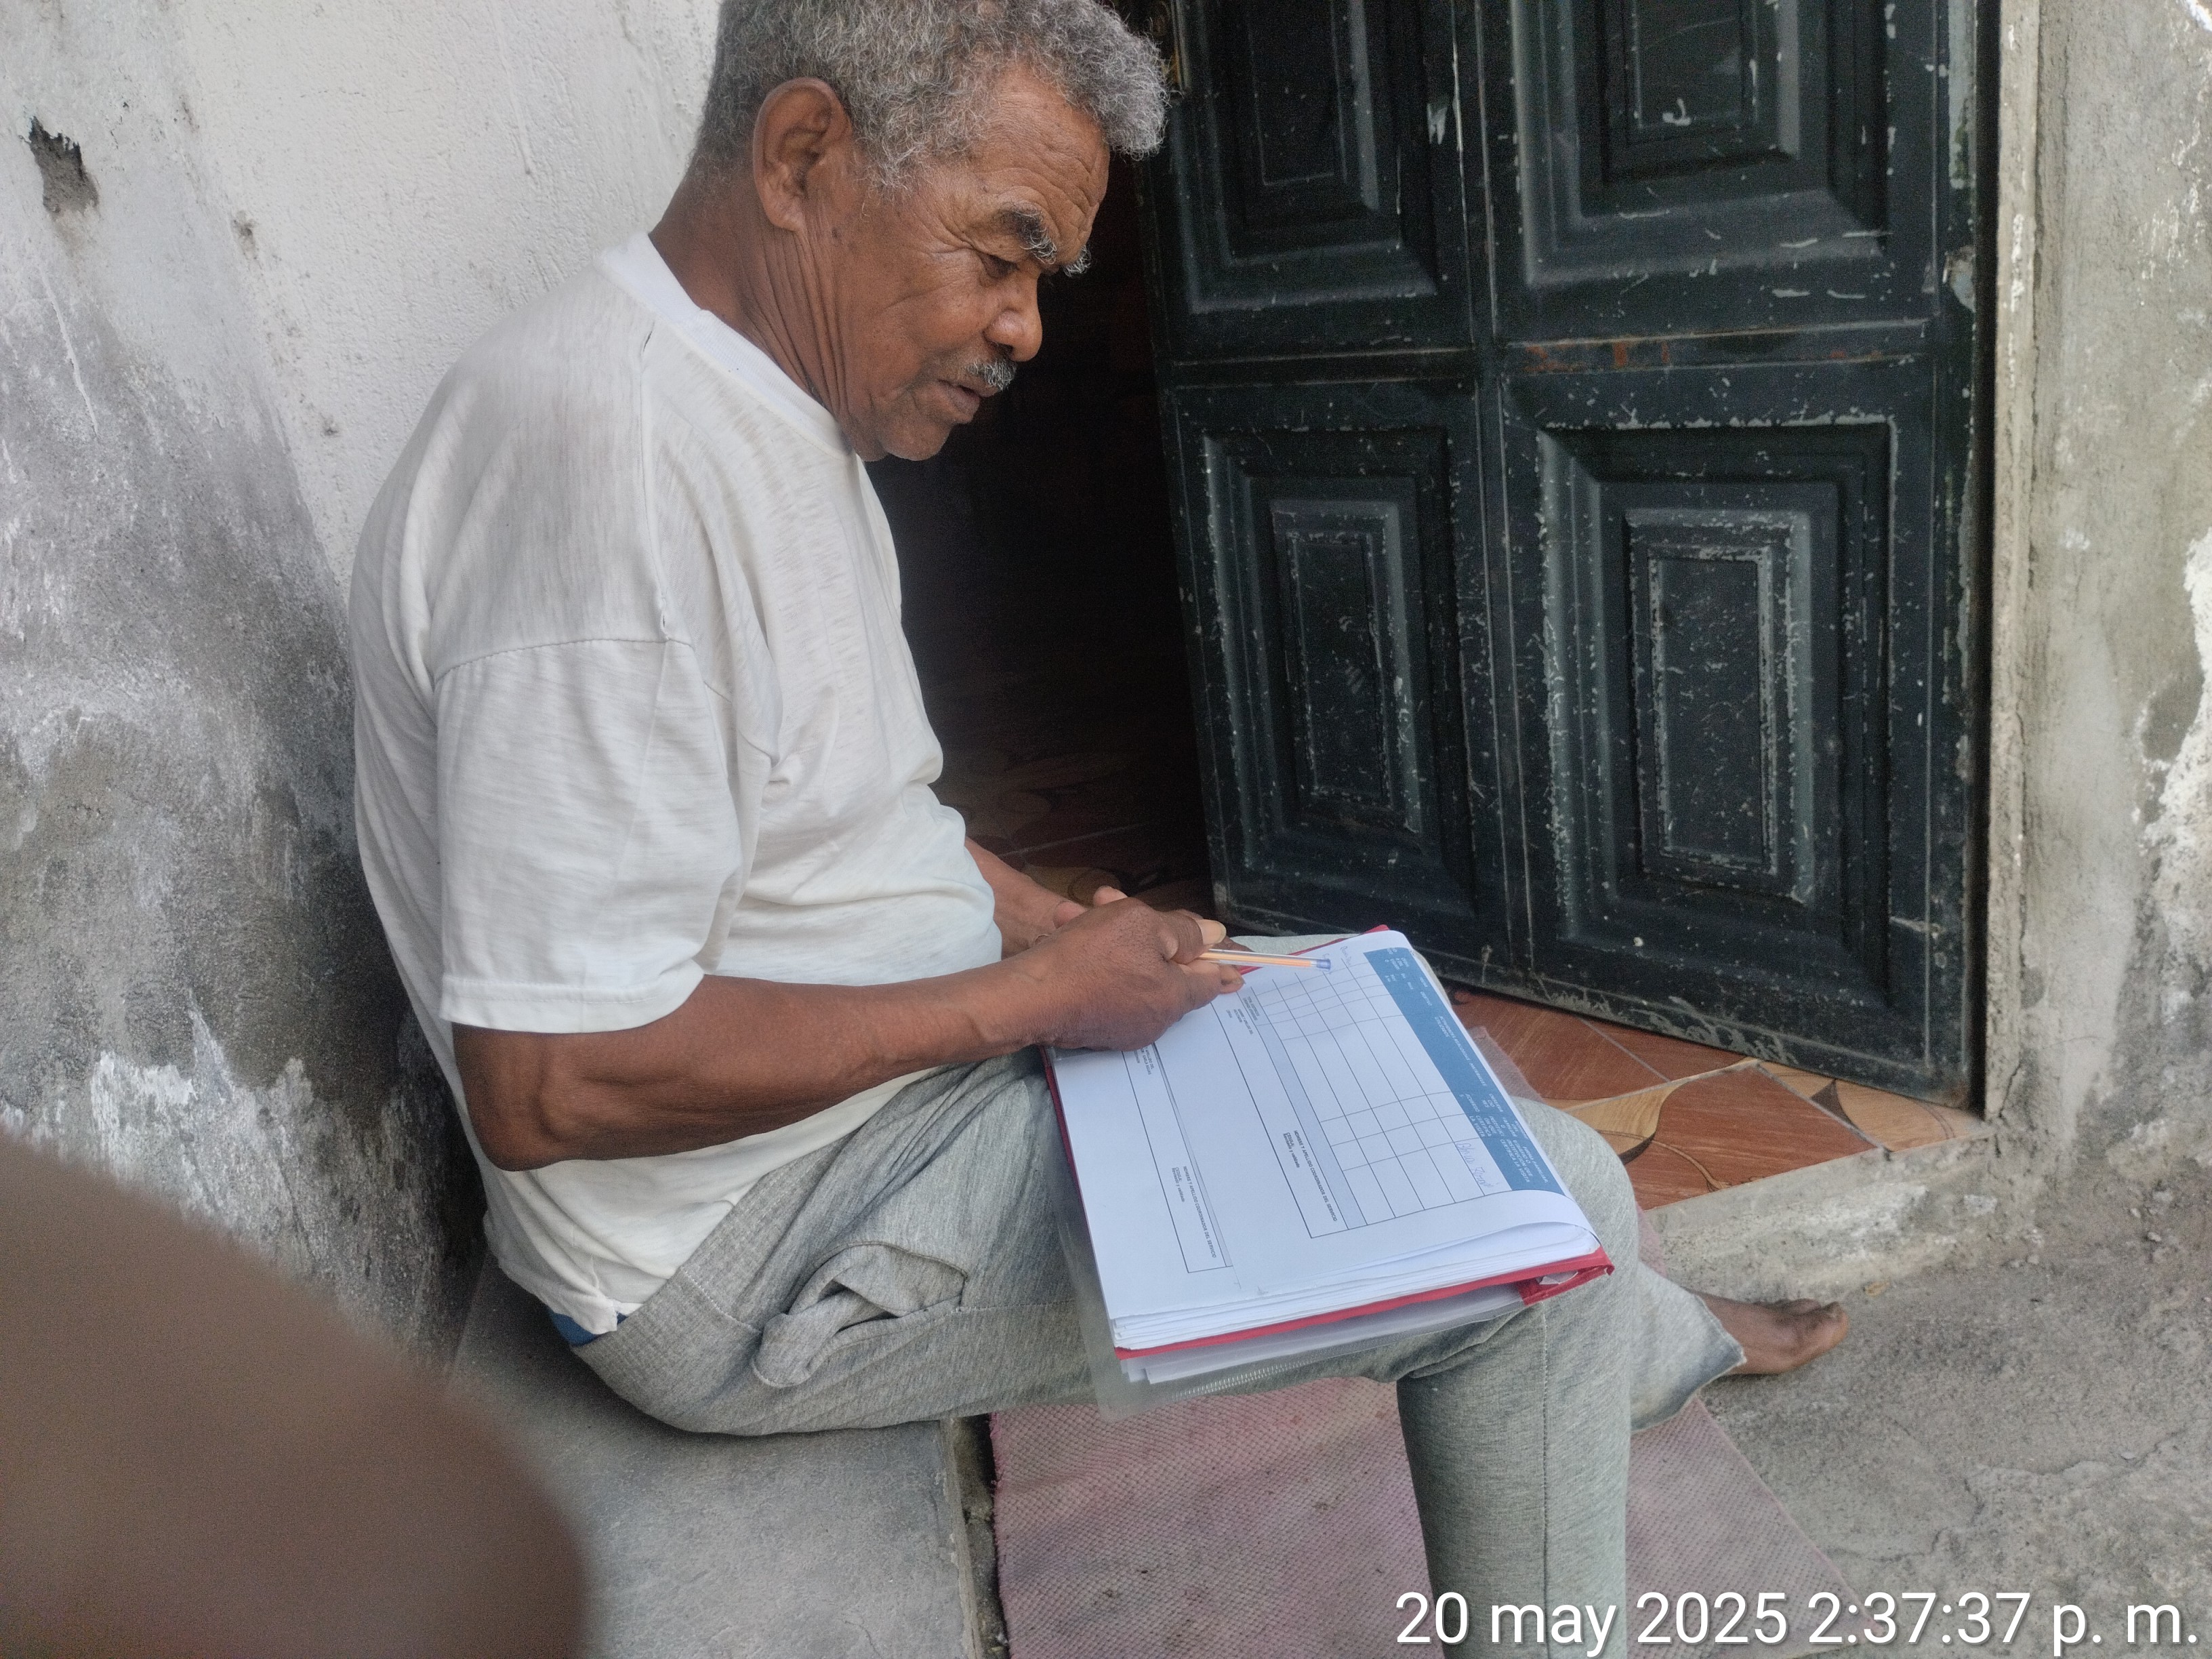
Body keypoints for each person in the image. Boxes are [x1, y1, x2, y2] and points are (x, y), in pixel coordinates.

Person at [350, 2, 1841, 1648]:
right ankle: (1615, 1334)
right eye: (1003, 254)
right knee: (1533, 1245)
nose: (1025, 326)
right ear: (802, 157)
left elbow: (856, 816)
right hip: (747, 1250)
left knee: (1405, 1054)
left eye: (1045, 276)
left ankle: (1630, 1332)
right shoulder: (614, 478)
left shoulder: (764, 411)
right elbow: (555, 1080)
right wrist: (1031, 1001)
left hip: (882, 1111)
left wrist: (1052, 931)